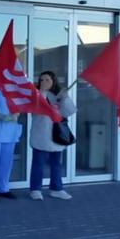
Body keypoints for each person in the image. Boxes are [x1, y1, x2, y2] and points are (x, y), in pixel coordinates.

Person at [30, 71, 77, 201]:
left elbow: (70, 111)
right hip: (41, 134)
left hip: (56, 134)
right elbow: (36, 109)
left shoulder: (58, 95)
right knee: (38, 163)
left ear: (53, 81)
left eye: (47, 80)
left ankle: (57, 188)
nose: (44, 82)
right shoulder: (36, 94)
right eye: (42, 80)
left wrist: (65, 98)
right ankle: (35, 189)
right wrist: (42, 92)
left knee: (56, 163)